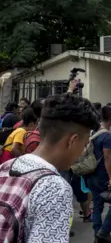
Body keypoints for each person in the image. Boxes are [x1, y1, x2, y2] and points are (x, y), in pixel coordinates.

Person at [0, 90, 99, 242]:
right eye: (84, 145)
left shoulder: (7, 166)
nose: (81, 153)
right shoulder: (54, 188)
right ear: (72, 140)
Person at [88, 106, 111, 243]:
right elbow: (107, 158)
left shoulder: (95, 131)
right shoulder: (106, 135)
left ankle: (97, 235)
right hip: (102, 174)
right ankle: (104, 231)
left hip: (91, 172)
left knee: (97, 205)